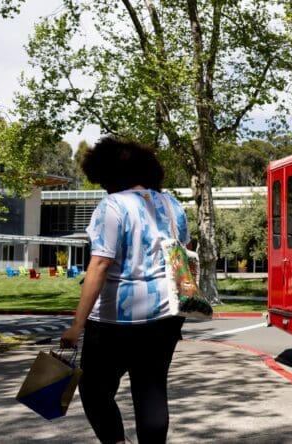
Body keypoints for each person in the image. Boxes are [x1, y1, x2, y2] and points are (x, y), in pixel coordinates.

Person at [61, 136, 189, 444]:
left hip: (114, 322)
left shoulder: (112, 206)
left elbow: (100, 266)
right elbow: (180, 255)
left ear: (110, 175)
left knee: (93, 390)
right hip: (164, 317)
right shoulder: (172, 205)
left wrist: (77, 325)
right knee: (151, 390)